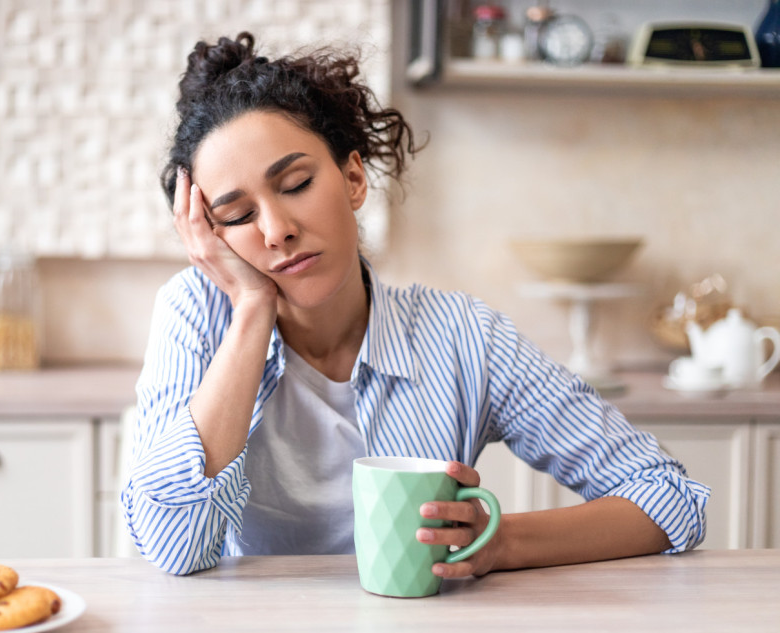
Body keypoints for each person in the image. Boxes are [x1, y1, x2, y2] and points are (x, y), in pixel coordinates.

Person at [120, 32, 709, 577]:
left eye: (296, 184)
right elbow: (174, 545)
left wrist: (500, 543)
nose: (276, 230)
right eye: (238, 216)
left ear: (353, 179)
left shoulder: (462, 336)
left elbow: (668, 498)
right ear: (211, 237)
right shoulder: (195, 314)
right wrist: (251, 308)